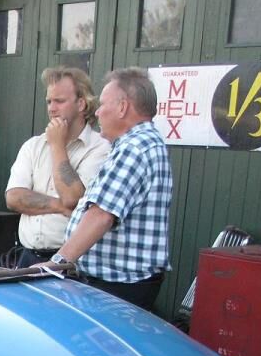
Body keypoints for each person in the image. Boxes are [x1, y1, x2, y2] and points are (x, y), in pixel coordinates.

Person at [48, 67, 172, 312]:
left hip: (117, 288)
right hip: (120, 285)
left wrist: (57, 263)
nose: (98, 111)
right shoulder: (143, 143)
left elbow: (102, 214)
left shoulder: (135, 148)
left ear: (123, 107)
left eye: (103, 104)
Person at [5, 66, 109, 266]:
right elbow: (14, 197)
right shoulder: (33, 146)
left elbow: (73, 198)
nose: (51, 108)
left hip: (70, 263)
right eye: (49, 101)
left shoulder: (100, 148)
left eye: (59, 101)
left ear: (81, 104)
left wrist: (57, 146)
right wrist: (59, 206)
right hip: (26, 257)